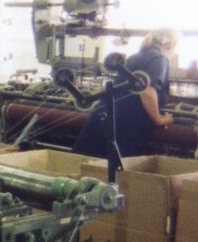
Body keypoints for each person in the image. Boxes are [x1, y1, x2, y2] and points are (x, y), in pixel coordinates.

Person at [72, 28, 179, 159]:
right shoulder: (160, 59)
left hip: (103, 116)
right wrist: (159, 119)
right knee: (115, 169)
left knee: (83, 165)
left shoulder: (135, 57)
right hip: (125, 125)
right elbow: (147, 91)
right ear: (170, 45)